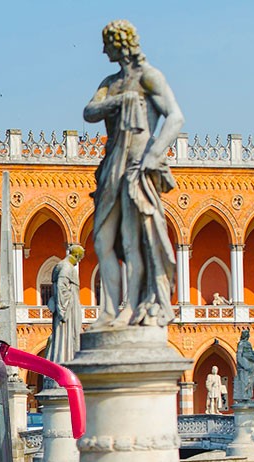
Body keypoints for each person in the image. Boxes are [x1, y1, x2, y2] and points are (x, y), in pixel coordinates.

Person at [83, 20, 183, 328]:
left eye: (107, 45)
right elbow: (89, 112)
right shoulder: (110, 83)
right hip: (113, 164)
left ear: (120, 44)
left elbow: (175, 117)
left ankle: (131, 306)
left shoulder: (149, 77)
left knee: (131, 240)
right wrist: (120, 100)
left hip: (137, 166)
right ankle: (109, 311)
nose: (103, 50)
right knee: (102, 241)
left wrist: (154, 156)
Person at [46, 245, 85, 372]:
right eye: (80, 258)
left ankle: (65, 360)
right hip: (68, 309)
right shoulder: (67, 267)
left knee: (65, 336)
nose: (79, 261)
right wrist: (63, 309)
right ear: (77, 256)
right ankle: (67, 362)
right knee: (69, 335)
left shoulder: (61, 265)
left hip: (66, 307)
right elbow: (61, 286)